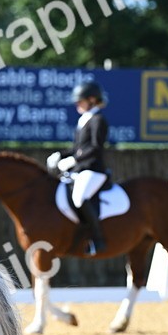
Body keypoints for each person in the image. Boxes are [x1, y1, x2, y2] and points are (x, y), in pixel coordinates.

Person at [47, 81, 109, 255]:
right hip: (80, 169)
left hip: (93, 170)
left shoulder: (98, 120)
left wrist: (73, 160)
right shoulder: (84, 120)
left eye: (80, 100)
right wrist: (60, 155)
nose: (77, 104)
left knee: (79, 198)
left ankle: (98, 239)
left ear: (91, 100)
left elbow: (95, 148)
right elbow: (77, 148)